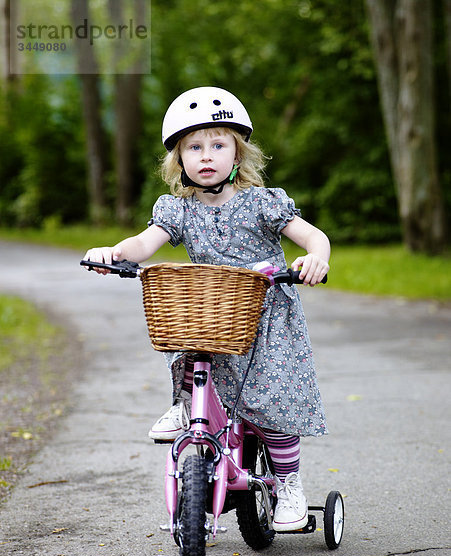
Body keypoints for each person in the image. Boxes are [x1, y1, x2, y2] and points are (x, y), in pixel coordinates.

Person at [83, 86, 330, 532]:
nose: (207, 155)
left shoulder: (262, 202)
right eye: (194, 147)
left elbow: (313, 236)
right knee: (181, 331)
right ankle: (185, 405)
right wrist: (115, 252)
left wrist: (316, 257)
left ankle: (288, 484)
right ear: (179, 160)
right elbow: (144, 242)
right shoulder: (178, 210)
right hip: (211, 312)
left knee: (272, 406)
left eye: (218, 144)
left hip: (264, 317)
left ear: (238, 151)